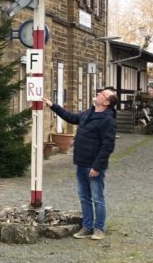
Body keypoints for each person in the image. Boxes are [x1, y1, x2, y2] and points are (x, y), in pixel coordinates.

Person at [45, 87, 118, 240]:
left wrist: (97, 166)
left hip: (94, 166)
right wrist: (53, 106)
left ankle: (99, 229)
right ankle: (87, 227)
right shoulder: (88, 113)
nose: (98, 94)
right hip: (81, 162)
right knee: (84, 196)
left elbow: (108, 146)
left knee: (97, 198)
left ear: (106, 102)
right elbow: (72, 118)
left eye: (102, 94)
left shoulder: (108, 120)